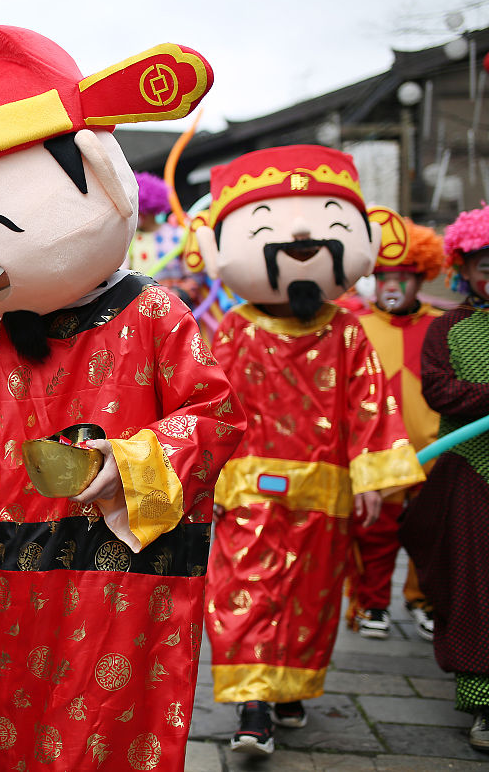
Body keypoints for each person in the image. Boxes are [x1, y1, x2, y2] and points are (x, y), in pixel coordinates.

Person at [0, 25, 243, 771]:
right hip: (24, 563)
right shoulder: (11, 338)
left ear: (96, 175)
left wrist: (129, 461)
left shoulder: (155, 314)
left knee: (104, 726)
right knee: (13, 718)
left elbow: (217, 415)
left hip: (130, 566)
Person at [194, 145, 426, 756]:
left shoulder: (348, 331)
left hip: (326, 493)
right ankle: (254, 707)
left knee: (311, 599)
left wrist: (374, 479)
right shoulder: (238, 329)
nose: (299, 236)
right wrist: (203, 482)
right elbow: (210, 414)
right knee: (244, 590)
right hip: (248, 491)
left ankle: (287, 688)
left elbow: (371, 407)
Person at [400, 205, 489, 753]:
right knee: (473, 587)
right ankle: (481, 701)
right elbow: (439, 390)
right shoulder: (446, 329)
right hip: (468, 472)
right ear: (464, 267)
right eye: (485, 264)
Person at [348, 217, 444, 641]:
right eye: (385, 277)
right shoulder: (356, 327)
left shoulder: (442, 325)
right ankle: (372, 602)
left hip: (436, 453)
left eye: (403, 278)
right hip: (379, 456)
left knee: (431, 534)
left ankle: (423, 599)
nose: (392, 286)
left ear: (419, 278)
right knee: (375, 534)